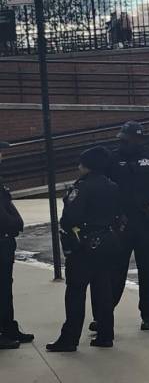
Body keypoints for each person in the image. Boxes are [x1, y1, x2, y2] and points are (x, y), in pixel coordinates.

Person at [92, 121, 149, 332]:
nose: (123, 143)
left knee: (148, 273)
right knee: (114, 274)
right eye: (121, 139)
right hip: (120, 224)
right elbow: (98, 183)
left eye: (127, 140)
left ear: (139, 138)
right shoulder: (112, 159)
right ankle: (103, 317)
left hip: (147, 222)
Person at [46, 146, 122, 352]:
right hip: (106, 241)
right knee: (103, 290)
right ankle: (106, 335)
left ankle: (69, 339)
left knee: (76, 292)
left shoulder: (82, 187)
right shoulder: (112, 185)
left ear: (87, 165)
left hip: (84, 245)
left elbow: (70, 218)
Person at [0, 141, 34, 349]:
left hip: (5, 240)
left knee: (5, 287)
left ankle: (8, 327)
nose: (2, 156)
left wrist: (15, 222)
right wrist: (14, 223)